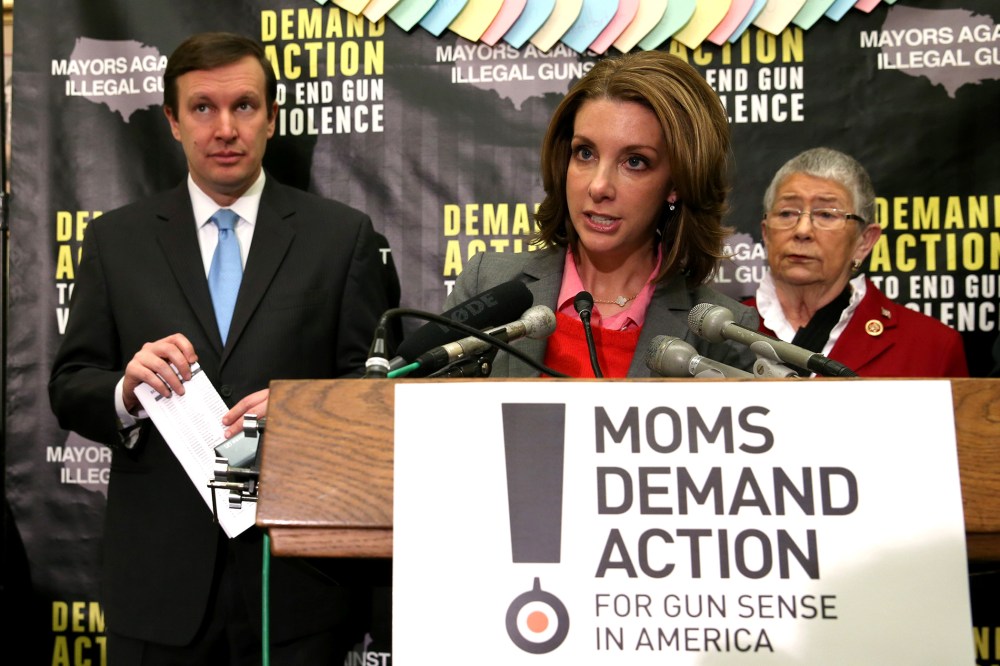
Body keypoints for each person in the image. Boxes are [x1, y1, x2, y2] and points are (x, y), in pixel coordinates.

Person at [48, 32, 397, 664]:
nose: (226, 128)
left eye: (244, 106)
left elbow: (378, 395)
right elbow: (71, 384)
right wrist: (127, 392)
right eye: (203, 108)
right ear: (173, 121)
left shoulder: (341, 237)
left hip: (294, 585)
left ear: (271, 116)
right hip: (159, 586)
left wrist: (302, 417)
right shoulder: (116, 241)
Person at [445, 51, 757, 378]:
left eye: (634, 162)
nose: (599, 186)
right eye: (585, 153)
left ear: (677, 182)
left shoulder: (722, 334)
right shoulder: (487, 283)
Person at [746, 147, 968, 377]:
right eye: (787, 213)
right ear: (766, 233)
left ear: (865, 241)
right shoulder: (725, 329)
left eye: (826, 214)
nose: (802, 230)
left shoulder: (932, 346)